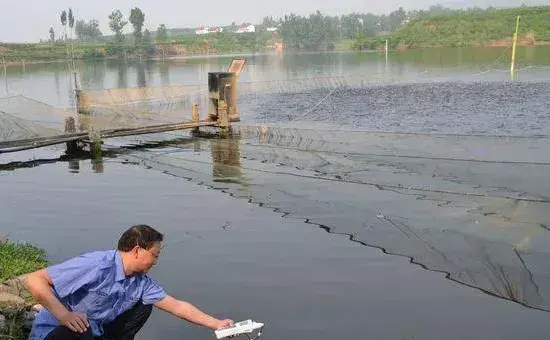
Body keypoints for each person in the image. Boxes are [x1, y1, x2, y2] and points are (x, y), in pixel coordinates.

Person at [25, 225, 233, 340]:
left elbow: (177, 306)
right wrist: (64, 314)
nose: (156, 261)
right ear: (136, 250)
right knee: (80, 327)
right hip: (59, 333)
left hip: (94, 332)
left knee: (144, 306)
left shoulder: (141, 282)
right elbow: (35, 279)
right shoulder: (96, 264)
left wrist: (216, 324)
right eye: (154, 255)